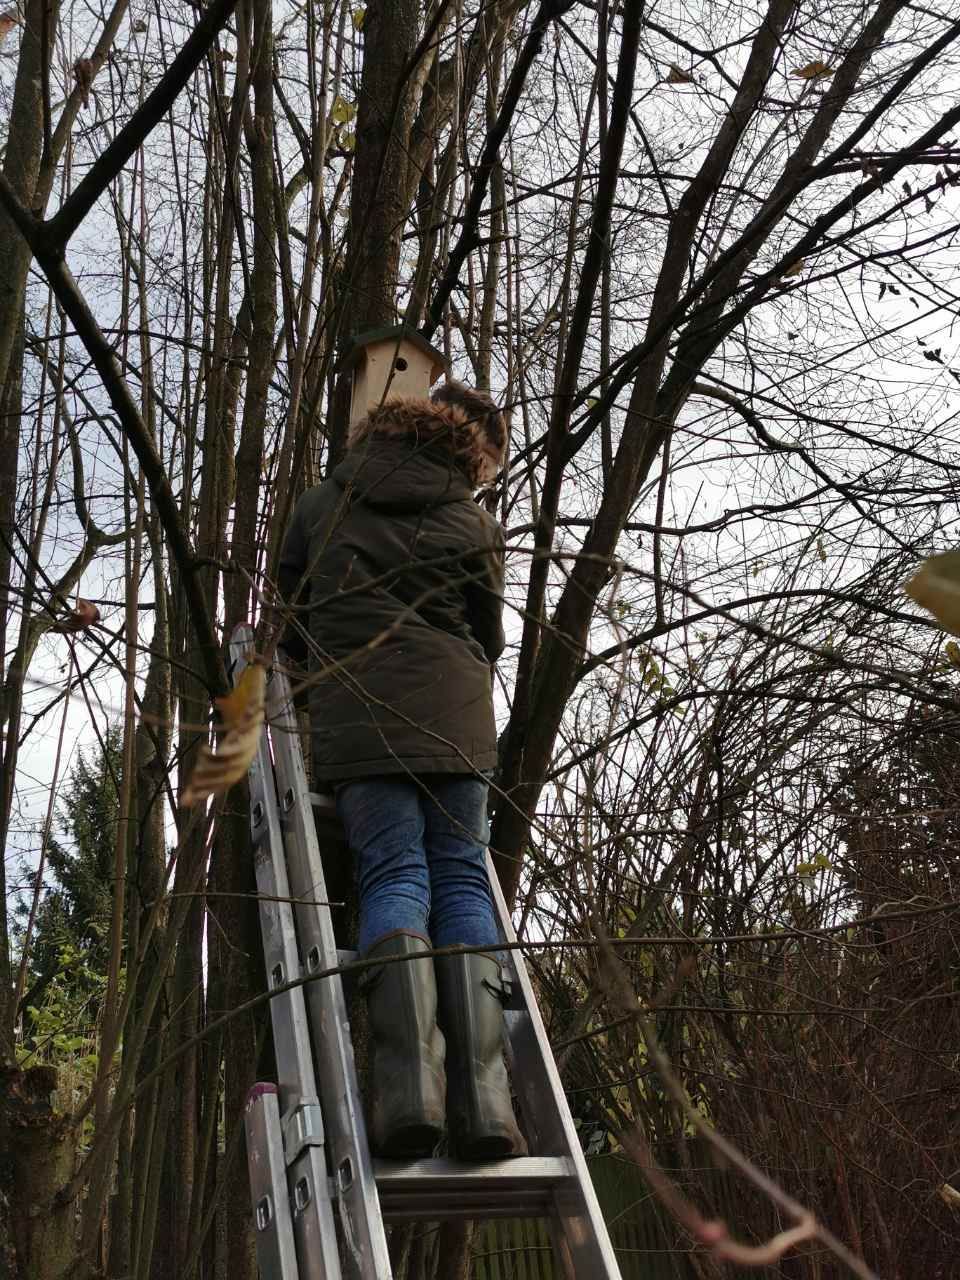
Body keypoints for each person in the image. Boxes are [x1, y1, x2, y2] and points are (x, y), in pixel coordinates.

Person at [278, 380, 523, 1161]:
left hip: (357, 716)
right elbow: (489, 635)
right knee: (459, 878)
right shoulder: (471, 519)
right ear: (473, 448)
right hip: (454, 723)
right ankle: (485, 1106)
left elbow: (290, 609)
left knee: (392, 876)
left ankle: (407, 1093)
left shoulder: (325, 503)